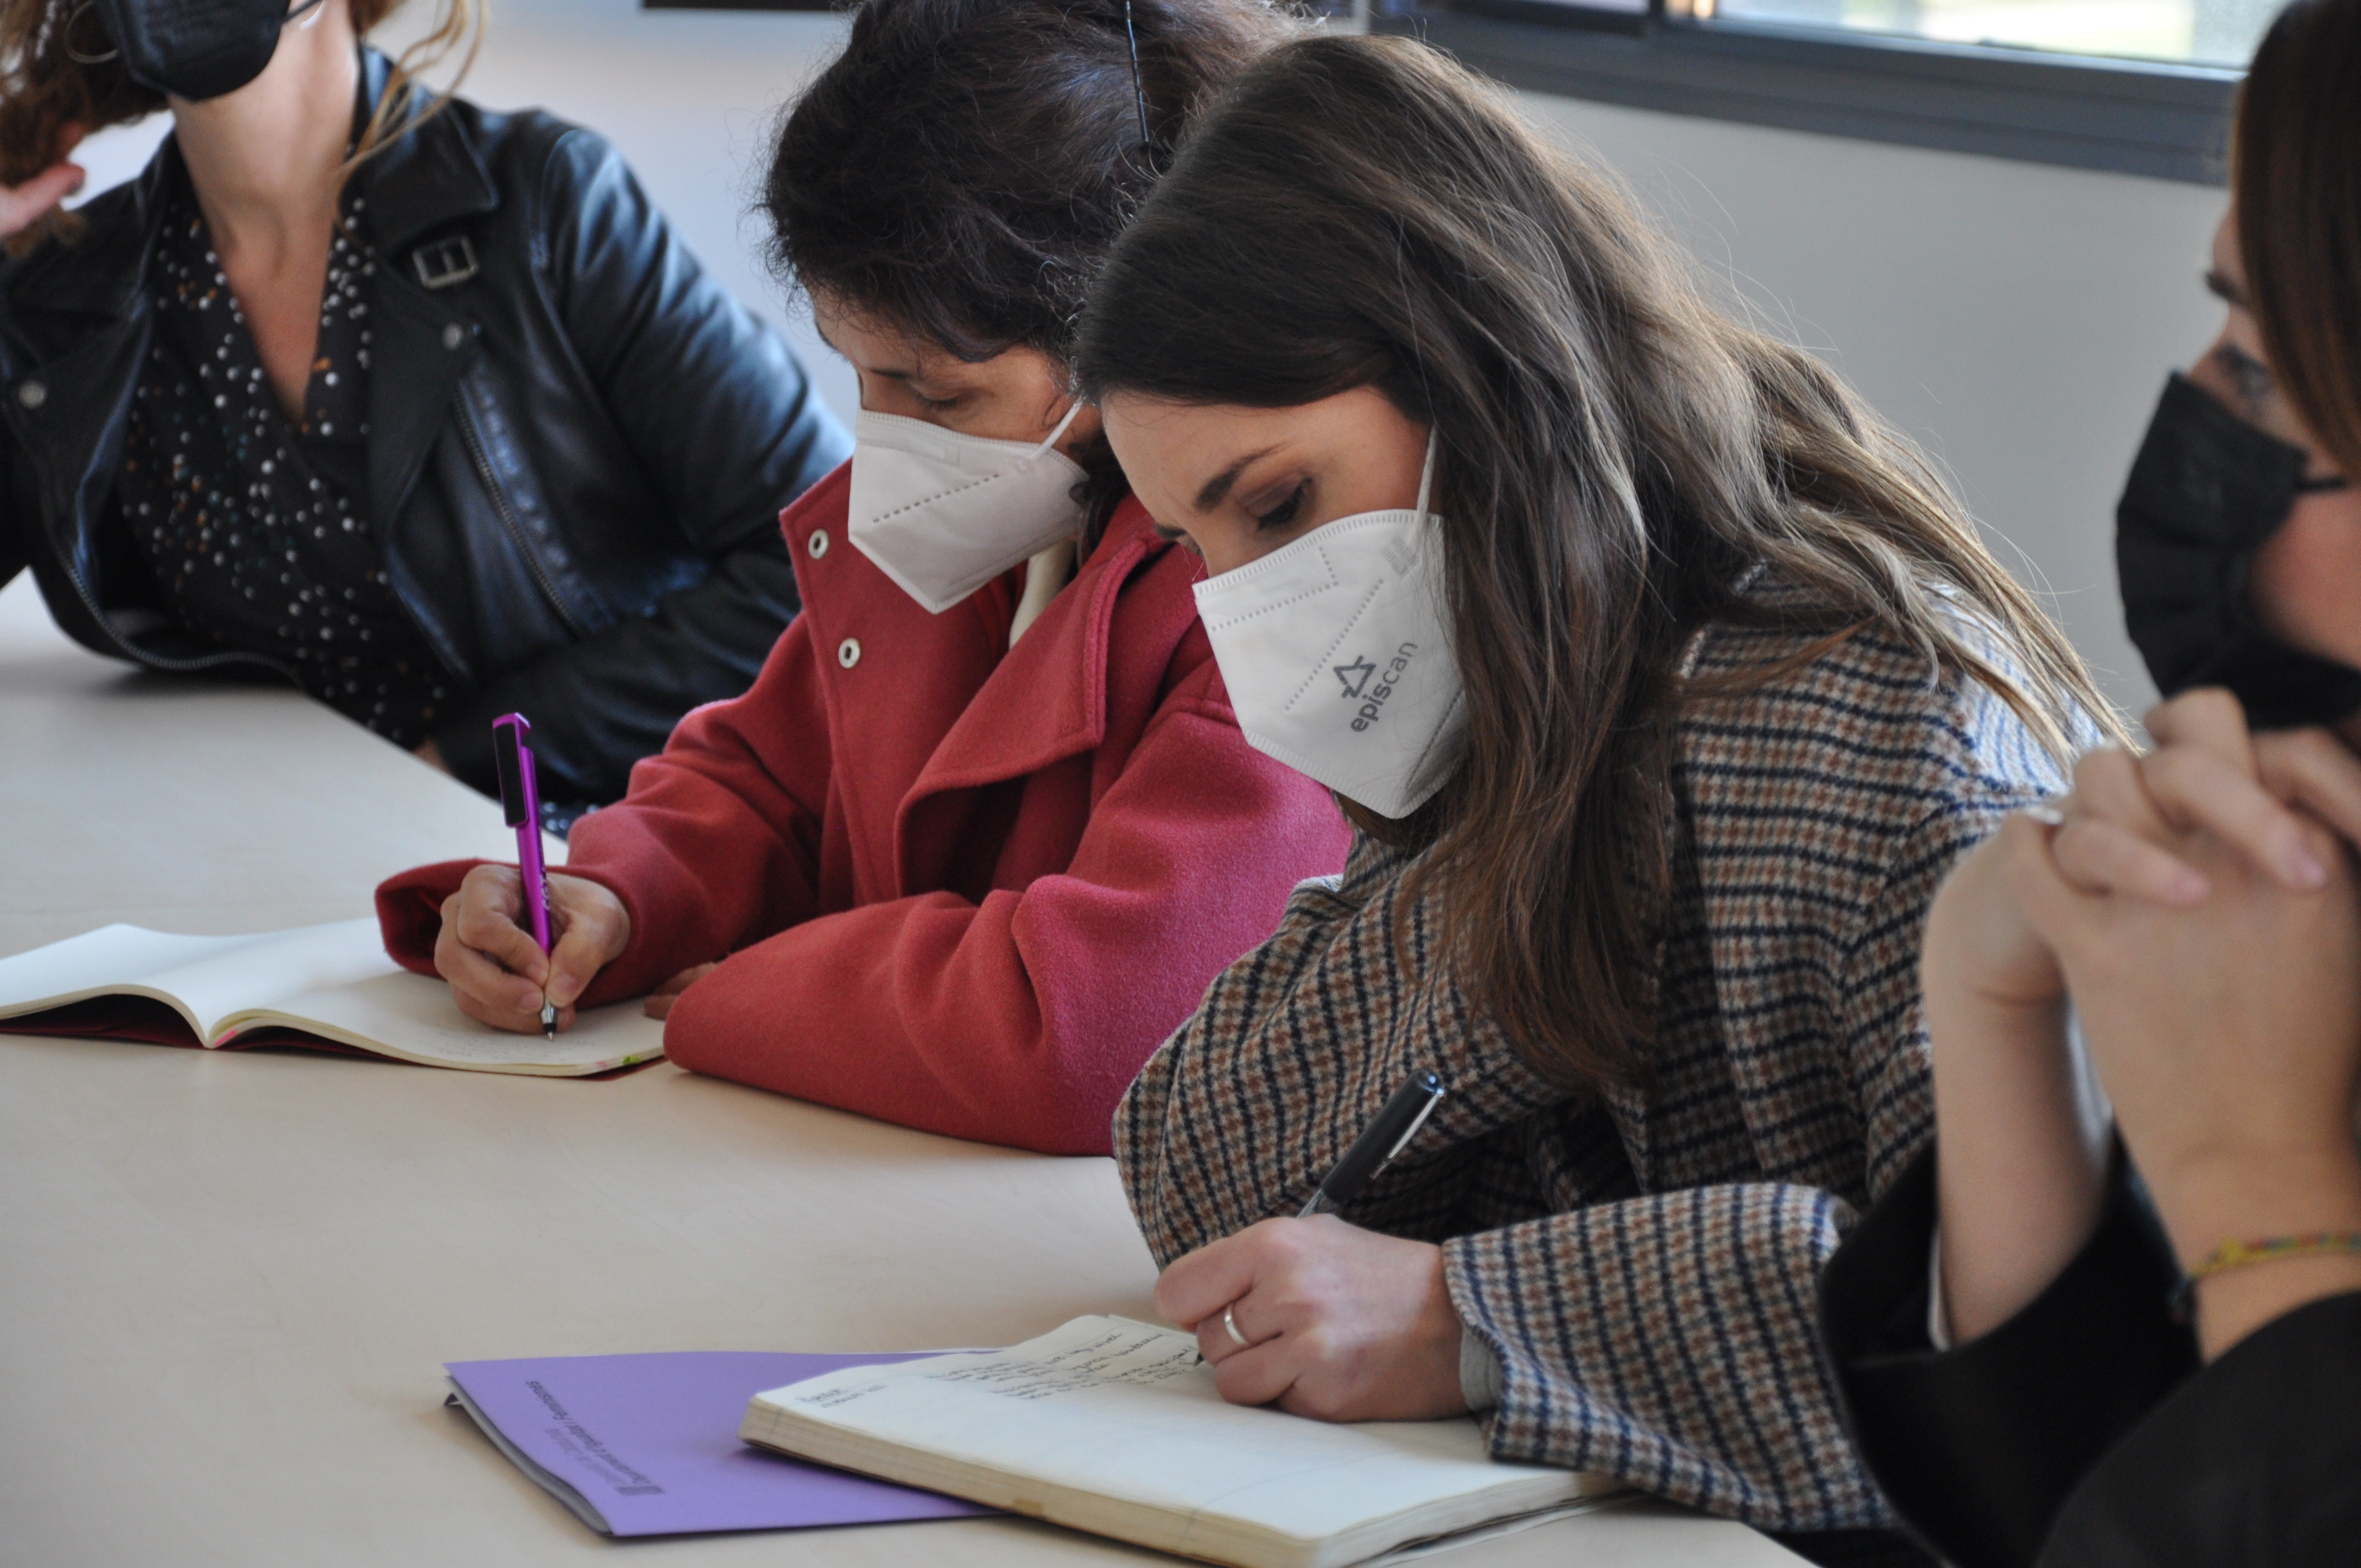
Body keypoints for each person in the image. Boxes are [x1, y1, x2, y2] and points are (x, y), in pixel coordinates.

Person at [1073, 35, 2117, 1566]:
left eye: (1280, 504)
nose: (1248, 613)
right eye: (1196, 550)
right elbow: (1193, 1159)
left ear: (1483, 373)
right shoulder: (1534, 701)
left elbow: (2021, 1339)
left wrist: (1473, 1313)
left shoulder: (1883, 733)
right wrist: (1518, 841)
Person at [374, 0, 1347, 1156]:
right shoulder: (989, 511)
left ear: (1139, 331)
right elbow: (763, 782)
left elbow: (1096, 1032)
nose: (882, 440)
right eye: (858, 374)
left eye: (935, 395)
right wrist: (618, 900)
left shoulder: (1273, 591)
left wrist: (754, 987)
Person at [1819, 1, 2361, 1562]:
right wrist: (1996, 1010)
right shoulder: (2305, 889)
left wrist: (2266, 1197)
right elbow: (2076, 1507)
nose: (2189, 415)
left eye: (2261, 376)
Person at [0, 0, 847, 824]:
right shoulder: (71, 285)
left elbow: (826, 561)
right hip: (262, 849)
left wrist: (472, 757)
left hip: (578, 849)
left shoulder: (544, 200)